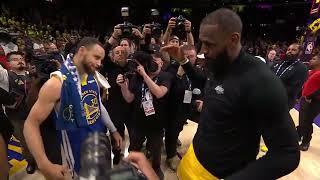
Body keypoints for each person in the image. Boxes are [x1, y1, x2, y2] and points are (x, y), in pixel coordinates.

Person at [162, 8, 300, 179]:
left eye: (210, 44)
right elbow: (206, 83)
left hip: (221, 173)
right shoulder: (219, 62)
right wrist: (183, 61)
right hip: (194, 157)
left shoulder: (262, 81)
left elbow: (287, 154)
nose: (203, 50)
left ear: (233, 39)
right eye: (202, 43)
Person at [23, 37, 122, 179]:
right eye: (96, 57)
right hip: (78, 157)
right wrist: (44, 163)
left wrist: (113, 130)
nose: (99, 63)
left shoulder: (92, 75)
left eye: (101, 59)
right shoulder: (57, 83)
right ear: (82, 51)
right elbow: (30, 124)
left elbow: (97, 105)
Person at [117, 51, 172, 179]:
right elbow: (129, 98)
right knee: (134, 149)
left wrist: (145, 76)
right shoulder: (137, 77)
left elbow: (159, 93)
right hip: (138, 121)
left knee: (156, 153)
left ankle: (156, 172)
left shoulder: (166, 76)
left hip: (156, 123)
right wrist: (123, 86)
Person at [165, 44, 204, 171]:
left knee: (180, 127)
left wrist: (200, 100)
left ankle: (175, 138)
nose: (188, 59)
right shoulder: (172, 69)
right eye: (185, 56)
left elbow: (203, 87)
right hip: (175, 107)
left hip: (190, 105)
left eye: (191, 56)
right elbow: (170, 93)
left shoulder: (197, 71)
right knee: (172, 131)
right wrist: (178, 76)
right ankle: (170, 156)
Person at [0, 51, 37, 174]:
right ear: (8, 64)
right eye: (15, 59)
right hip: (17, 117)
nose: (20, 60)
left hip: (35, 114)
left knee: (40, 137)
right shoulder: (5, 76)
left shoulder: (31, 74)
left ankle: (42, 158)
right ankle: (31, 161)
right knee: (25, 142)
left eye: (21, 58)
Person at [271, 43, 308, 110]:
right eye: (288, 49)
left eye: (293, 50)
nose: (289, 51)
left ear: (300, 53)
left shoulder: (302, 68)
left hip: (284, 102)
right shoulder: (279, 62)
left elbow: (293, 88)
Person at [296, 54, 320, 151]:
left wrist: (311, 96)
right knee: (302, 119)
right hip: (305, 99)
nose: (310, 60)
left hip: (315, 102)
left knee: (307, 121)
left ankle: (306, 141)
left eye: (314, 59)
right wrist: (299, 96)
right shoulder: (311, 72)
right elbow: (305, 85)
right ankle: (298, 135)